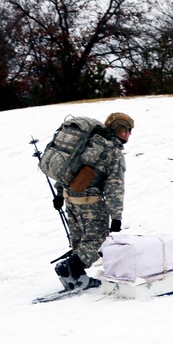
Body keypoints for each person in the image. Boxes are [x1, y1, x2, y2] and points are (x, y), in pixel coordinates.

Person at [52, 112, 133, 291]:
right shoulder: (113, 151)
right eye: (128, 130)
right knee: (97, 240)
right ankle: (71, 268)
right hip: (91, 202)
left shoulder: (86, 143)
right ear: (121, 131)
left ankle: (75, 276)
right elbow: (114, 186)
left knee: (80, 240)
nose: (129, 134)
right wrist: (116, 216)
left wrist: (59, 194)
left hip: (69, 200)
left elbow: (68, 169)